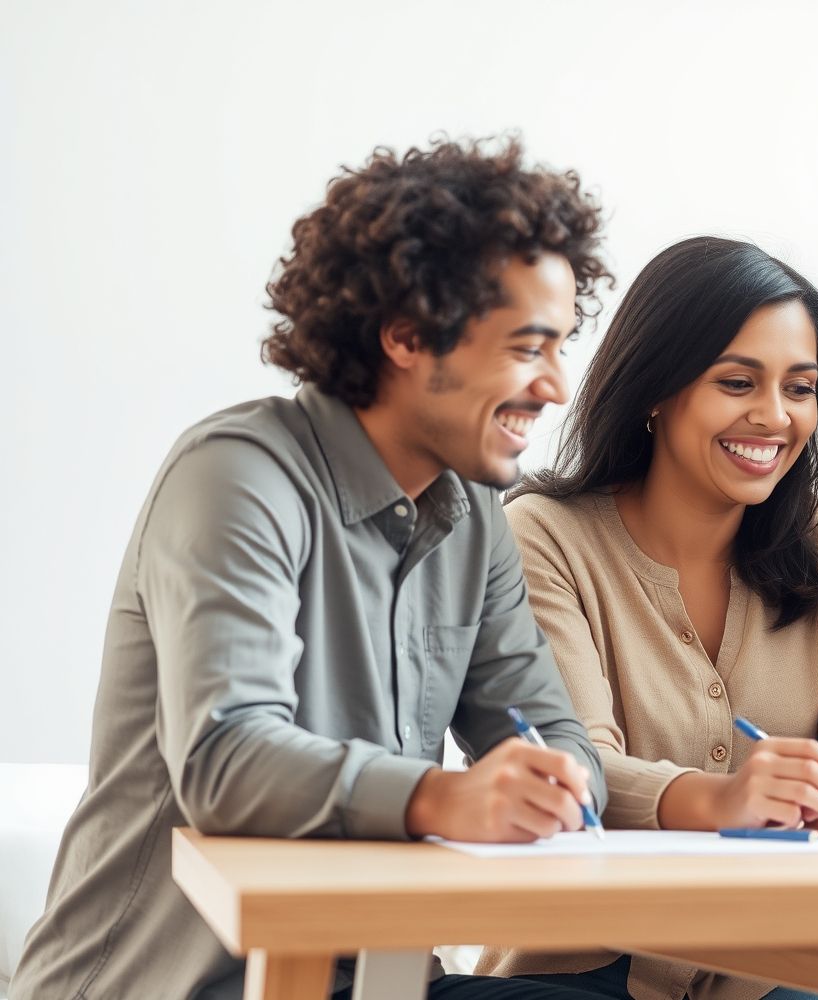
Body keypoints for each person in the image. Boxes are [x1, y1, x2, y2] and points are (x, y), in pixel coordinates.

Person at [10, 137, 615, 1000]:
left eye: (561, 348)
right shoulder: (237, 474)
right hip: (174, 984)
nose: (556, 386)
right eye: (528, 347)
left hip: (380, 978)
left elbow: (548, 733)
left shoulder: (473, 510)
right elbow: (227, 758)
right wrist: (445, 800)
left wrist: (561, 782)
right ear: (406, 336)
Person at [475, 236, 818, 1000]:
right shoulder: (545, 535)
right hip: (581, 968)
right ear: (656, 386)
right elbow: (576, 768)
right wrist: (721, 800)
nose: (775, 417)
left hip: (778, 971)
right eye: (737, 381)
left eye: (801, 387)